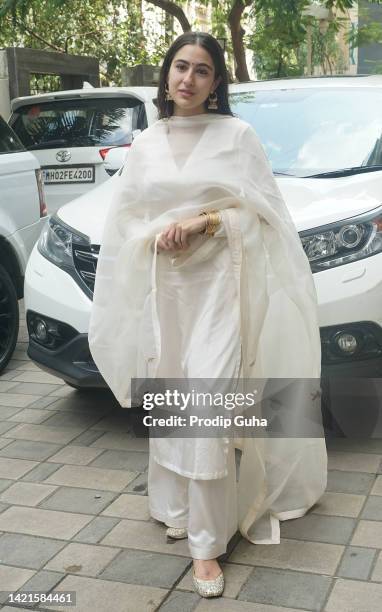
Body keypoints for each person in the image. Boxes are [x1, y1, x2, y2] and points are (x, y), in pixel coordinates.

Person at [89, 31, 327, 599]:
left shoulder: (238, 137)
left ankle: (206, 545)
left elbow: (268, 220)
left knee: (209, 403)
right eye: (180, 67)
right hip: (164, 291)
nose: (188, 79)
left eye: (201, 71)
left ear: (217, 82)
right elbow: (125, 226)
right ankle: (175, 506)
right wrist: (160, 235)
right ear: (165, 75)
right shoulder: (146, 144)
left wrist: (209, 223)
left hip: (224, 290)